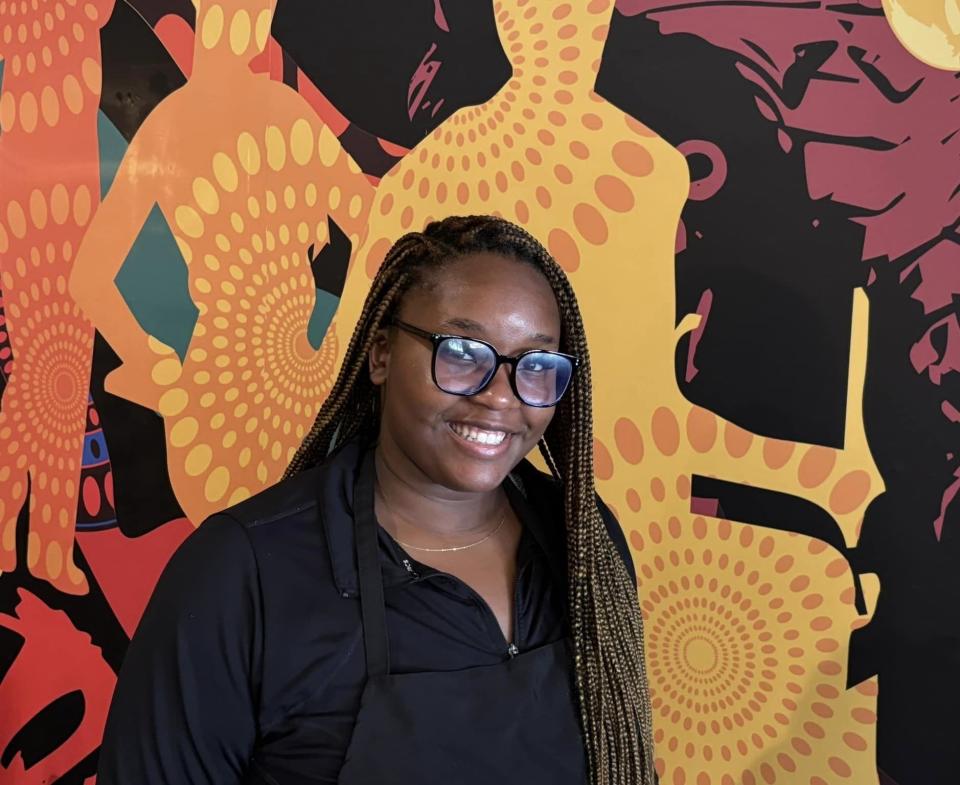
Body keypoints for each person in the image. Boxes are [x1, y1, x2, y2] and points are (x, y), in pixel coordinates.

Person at [97, 215, 657, 784]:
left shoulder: (584, 544)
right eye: (463, 352)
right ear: (381, 353)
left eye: (536, 366)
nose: (500, 396)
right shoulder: (242, 575)